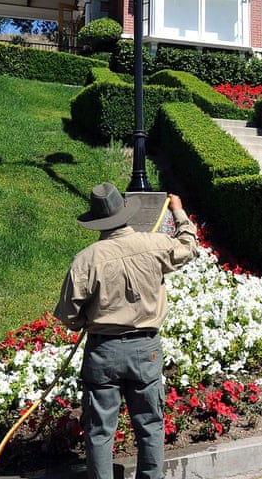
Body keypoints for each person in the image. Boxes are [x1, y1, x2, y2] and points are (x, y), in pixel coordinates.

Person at [54, 182, 197, 479]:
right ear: (125, 213)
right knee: (150, 425)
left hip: (103, 352)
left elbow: (69, 315)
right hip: (146, 349)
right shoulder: (155, 244)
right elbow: (188, 247)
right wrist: (179, 212)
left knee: (99, 431)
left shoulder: (86, 260)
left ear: (97, 222)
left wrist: (87, 319)